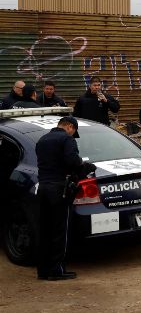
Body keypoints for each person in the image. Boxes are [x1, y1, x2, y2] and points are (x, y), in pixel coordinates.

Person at [35, 116, 96, 280]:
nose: (73, 134)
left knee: (45, 230)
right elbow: (72, 161)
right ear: (70, 127)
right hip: (59, 190)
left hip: (42, 188)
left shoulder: (42, 140)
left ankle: (43, 270)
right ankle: (56, 271)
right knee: (60, 231)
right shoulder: (66, 139)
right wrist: (84, 166)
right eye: (74, 131)